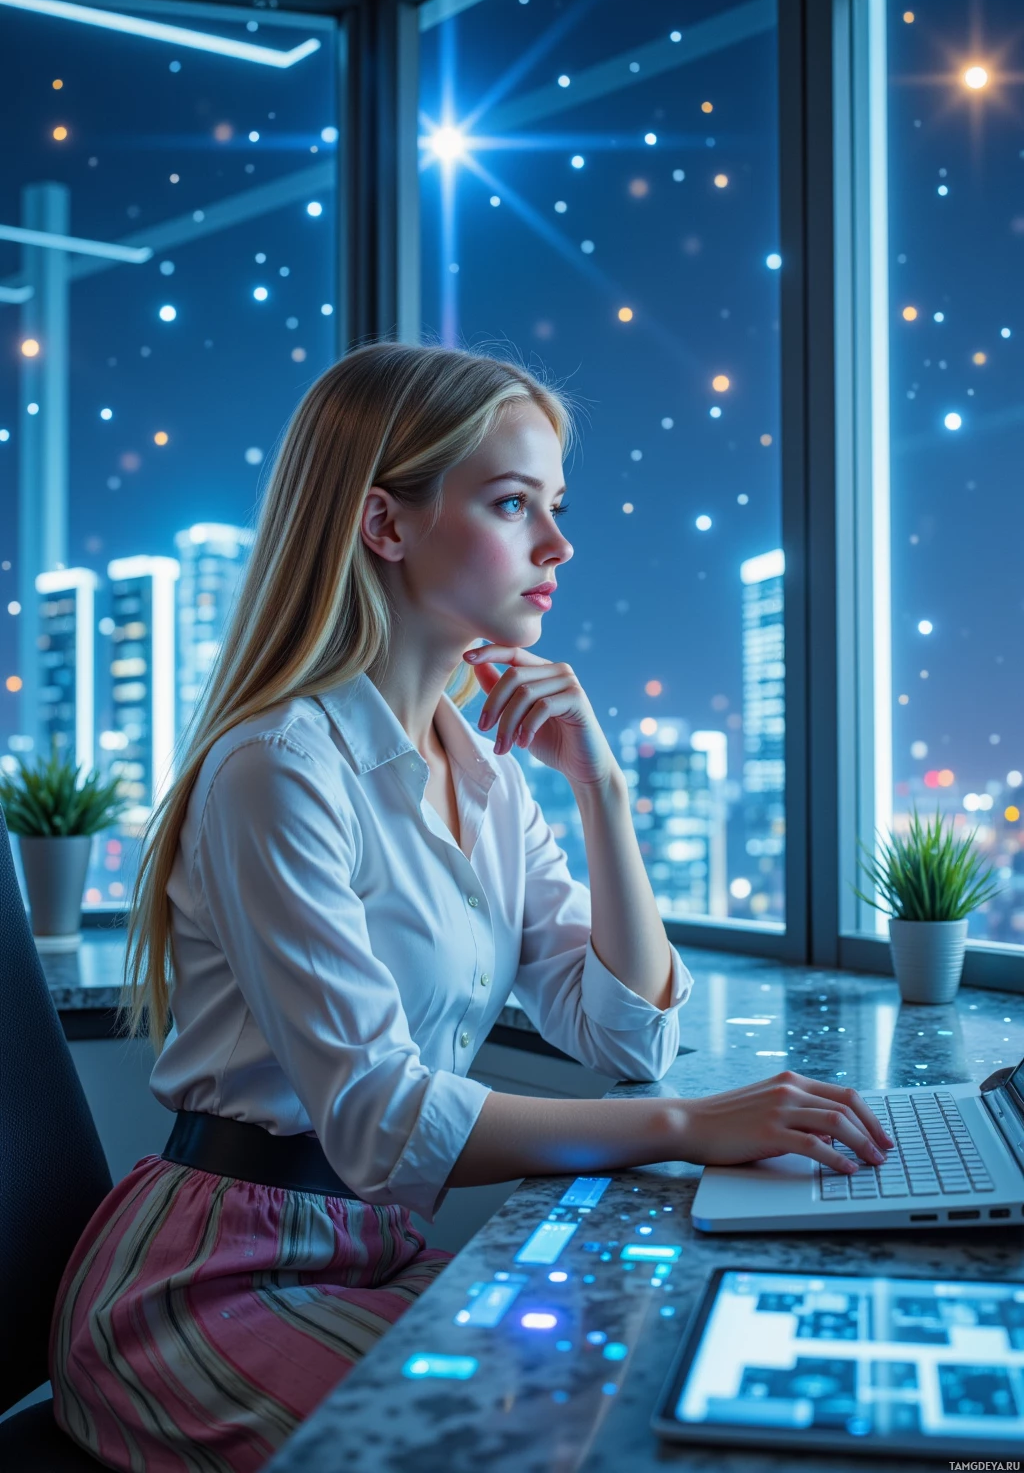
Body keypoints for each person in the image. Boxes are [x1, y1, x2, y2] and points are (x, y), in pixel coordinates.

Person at [48, 342, 892, 1470]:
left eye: (554, 506)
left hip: (365, 1257)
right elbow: (382, 1120)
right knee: (550, 1441)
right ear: (384, 526)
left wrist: (601, 789)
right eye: (511, 504)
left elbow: (625, 1034)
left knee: (656, 1383)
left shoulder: (482, 774)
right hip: (212, 1285)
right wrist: (693, 1127)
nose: (557, 545)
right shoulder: (277, 768)